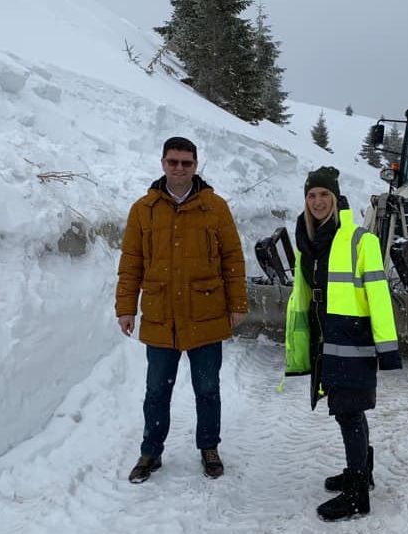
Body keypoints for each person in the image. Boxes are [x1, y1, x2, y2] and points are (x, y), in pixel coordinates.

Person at [115, 136, 248, 483]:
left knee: (208, 389)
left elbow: (232, 259)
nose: (179, 168)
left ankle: (209, 447)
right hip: (161, 315)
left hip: (206, 313)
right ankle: (151, 451)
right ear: (163, 163)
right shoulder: (143, 210)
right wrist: (126, 308)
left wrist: (238, 303)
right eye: (173, 162)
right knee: (156, 391)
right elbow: (131, 263)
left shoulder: (215, 207)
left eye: (186, 163)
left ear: (195, 166)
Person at [284, 166, 402, 521]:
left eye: (324, 195)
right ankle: (360, 472)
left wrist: (387, 346)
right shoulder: (307, 240)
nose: (317, 201)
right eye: (311, 195)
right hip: (326, 336)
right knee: (348, 409)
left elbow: (379, 296)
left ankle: (356, 496)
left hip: (351, 338)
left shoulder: (360, 240)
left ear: (336, 199)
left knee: (349, 411)